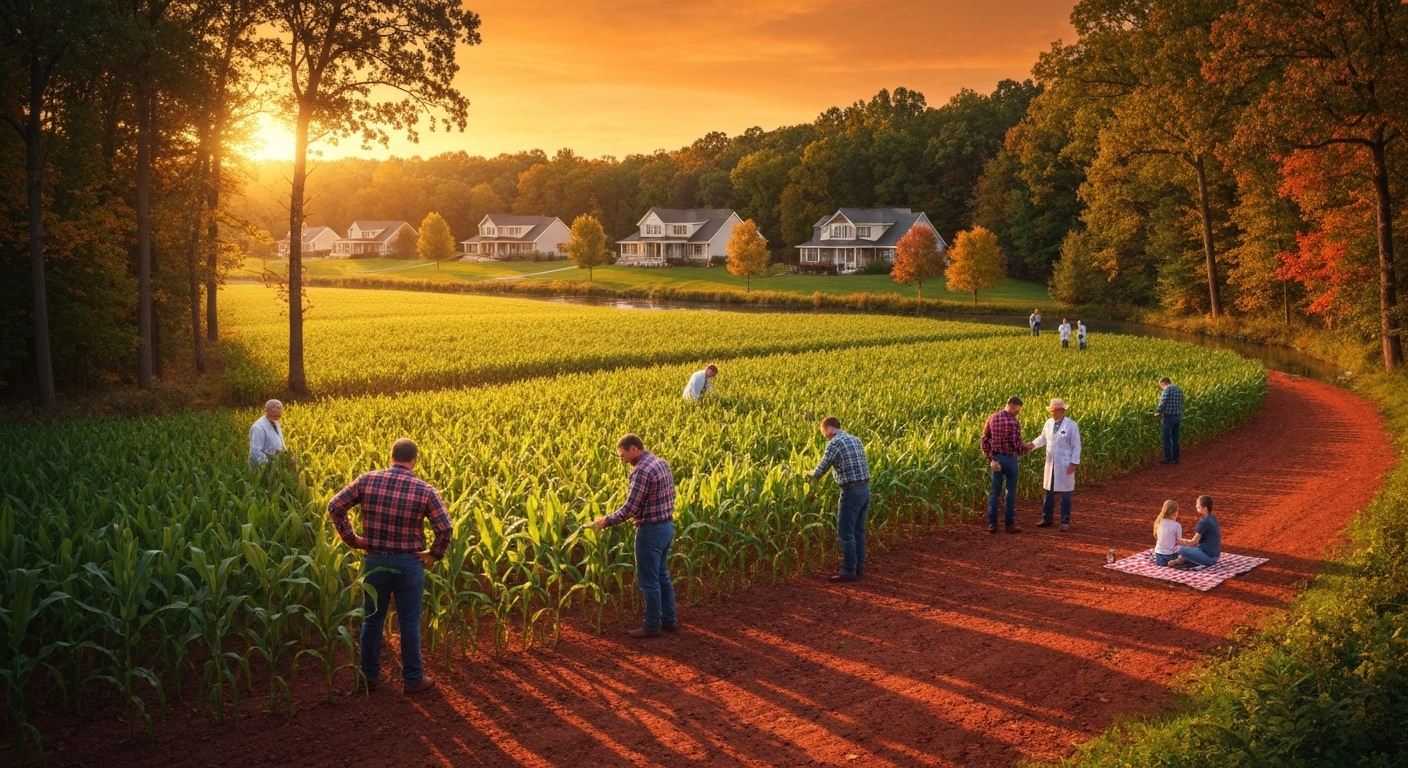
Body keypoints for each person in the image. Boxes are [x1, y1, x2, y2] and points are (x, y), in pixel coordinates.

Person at [328, 438, 452, 695]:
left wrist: (353, 540)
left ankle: (369, 677)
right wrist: (433, 555)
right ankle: (413, 680)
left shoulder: (367, 480)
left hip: (374, 560)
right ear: (414, 459)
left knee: (372, 620)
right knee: (408, 623)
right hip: (409, 562)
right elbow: (445, 529)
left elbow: (335, 505)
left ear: (391, 456)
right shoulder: (425, 490)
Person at [593, 434, 677, 638]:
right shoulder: (660, 463)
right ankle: (669, 620)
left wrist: (607, 520)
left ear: (633, 449)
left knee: (649, 581)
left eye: (622, 453)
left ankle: (651, 625)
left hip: (650, 531)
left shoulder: (641, 471)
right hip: (666, 526)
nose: (620, 457)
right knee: (662, 575)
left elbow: (630, 508)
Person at [807, 416, 871, 582]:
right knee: (858, 530)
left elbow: (820, 471)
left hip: (851, 492)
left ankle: (848, 570)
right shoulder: (855, 440)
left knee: (845, 532)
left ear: (829, 428)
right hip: (865, 490)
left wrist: (807, 474)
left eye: (824, 432)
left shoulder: (835, 443)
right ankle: (858, 567)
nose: (825, 436)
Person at [981, 396, 1031, 534]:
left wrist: (991, 459)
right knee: (1010, 493)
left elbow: (984, 440)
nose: (1017, 413)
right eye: (1016, 411)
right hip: (1010, 459)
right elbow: (1016, 445)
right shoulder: (1013, 422)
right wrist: (1026, 448)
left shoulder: (992, 418)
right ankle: (1009, 524)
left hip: (996, 459)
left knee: (994, 493)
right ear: (1011, 406)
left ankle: (993, 524)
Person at [1030, 398, 1081, 531]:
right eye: (1052, 410)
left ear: (1063, 410)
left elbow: (1076, 446)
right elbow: (1042, 439)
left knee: (1065, 494)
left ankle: (1065, 521)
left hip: (1064, 464)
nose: (1054, 413)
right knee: (1049, 492)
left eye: (1056, 410)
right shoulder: (1048, 423)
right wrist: (1032, 445)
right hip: (1051, 463)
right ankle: (1046, 518)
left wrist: (1073, 463)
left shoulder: (1071, 425)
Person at [1170, 495, 1220, 568]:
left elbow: (1193, 542)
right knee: (1188, 550)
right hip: (1215, 556)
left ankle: (1185, 559)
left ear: (1205, 508)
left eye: (1198, 505)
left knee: (1181, 549)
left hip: (1208, 557)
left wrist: (1181, 541)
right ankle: (1181, 560)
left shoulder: (1203, 522)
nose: (1196, 506)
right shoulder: (1213, 518)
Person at [248, 399, 286, 466]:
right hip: (262, 468)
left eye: (279, 415)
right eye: (274, 415)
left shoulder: (275, 422)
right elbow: (255, 451)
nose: (277, 418)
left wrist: (287, 456)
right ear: (267, 411)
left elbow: (280, 443)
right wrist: (268, 465)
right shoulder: (258, 428)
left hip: (276, 465)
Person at [1155, 377, 1184, 464]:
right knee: (1175, 438)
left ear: (1164, 383)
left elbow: (1163, 402)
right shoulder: (1178, 389)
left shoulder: (1167, 390)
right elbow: (1180, 402)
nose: (1162, 388)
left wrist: (1158, 412)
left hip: (1169, 417)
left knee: (1166, 438)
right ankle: (1176, 458)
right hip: (1177, 416)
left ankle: (1168, 459)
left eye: (1161, 386)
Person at [1152, 499, 1182, 567]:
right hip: (1170, 556)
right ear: (1174, 513)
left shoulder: (1158, 522)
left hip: (1159, 558)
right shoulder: (1176, 525)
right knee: (1186, 554)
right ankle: (1175, 562)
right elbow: (1180, 541)